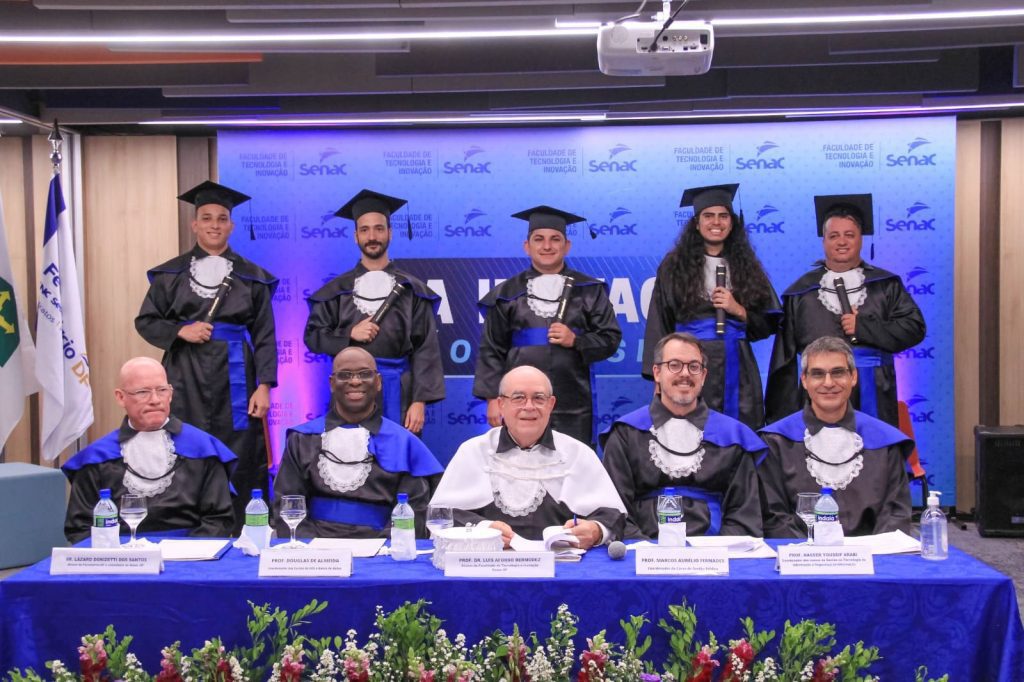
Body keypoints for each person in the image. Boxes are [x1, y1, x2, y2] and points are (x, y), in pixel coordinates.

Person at [135, 180, 277, 532]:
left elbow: (264, 335)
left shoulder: (252, 277)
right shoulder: (170, 275)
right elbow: (146, 321)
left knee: (242, 451)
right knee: (186, 445)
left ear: (231, 225)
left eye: (222, 218)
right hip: (184, 374)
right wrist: (180, 331)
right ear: (194, 224)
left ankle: (245, 529)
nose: (215, 225)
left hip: (237, 376)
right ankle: (187, 527)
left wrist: (264, 386)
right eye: (207, 218)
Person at [765, 193, 926, 427]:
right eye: (834, 236)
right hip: (818, 395)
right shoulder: (800, 294)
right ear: (824, 242)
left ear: (861, 239)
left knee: (874, 447)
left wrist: (864, 328)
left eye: (849, 235)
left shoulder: (886, 285)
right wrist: (781, 420)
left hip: (874, 393)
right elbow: (785, 361)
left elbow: (914, 328)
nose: (842, 242)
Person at [431, 365, 626, 549]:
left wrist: (596, 530)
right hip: (487, 565)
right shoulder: (473, 451)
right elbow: (441, 516)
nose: (529, 406)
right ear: (501, 404)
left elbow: (612, 515)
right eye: (518, 398)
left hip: (560, 566)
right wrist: (483, 530)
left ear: (551, 404)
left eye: (539, 398)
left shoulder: (577, 453)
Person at [474, 206, 621, 444]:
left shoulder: (590, 291)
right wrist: (492, 398)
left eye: (555, 239)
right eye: (539, 239)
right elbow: (491, 349)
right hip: (520, 402)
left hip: (574, 402)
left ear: (567, 245)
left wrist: (577, 341)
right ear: (527, 246)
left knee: (572, 459)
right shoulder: (505, 295)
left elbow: (610, 338)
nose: (547, 246)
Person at [304, 189, 444, 434]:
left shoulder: (413, 290)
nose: (372, 236)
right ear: (355, 236)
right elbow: (313, 338)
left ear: (390, 233)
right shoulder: (336, 291)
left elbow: (426, 349)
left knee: (398, 455)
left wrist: (419, 402)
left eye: (379, 229)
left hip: (399, 394)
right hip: (349, 391)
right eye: (365, 230)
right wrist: (349, 335)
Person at [643, 184, 780, 430]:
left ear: (732, 223)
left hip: (737, 367)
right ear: (697, 223)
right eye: (708, 216)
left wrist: (738, 310)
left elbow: (768, 324)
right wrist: (659, 376)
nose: (716, 222)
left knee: (738, 432)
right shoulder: (674, 266)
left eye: (723, 216)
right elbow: (659, 322)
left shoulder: (746, 266)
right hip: (687, 364)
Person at [602, 332, 765, 539]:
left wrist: (715, 551)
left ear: (703, 376)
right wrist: (647, 551)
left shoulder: (734, 438)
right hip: (641, 550)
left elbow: (743, 516)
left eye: (694, 367)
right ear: (657, 373)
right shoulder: (625, 433)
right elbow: (616, 512)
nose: (685, 373)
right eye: (675, 365)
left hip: (715, 552)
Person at [272, 347, 444, 539]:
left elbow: (413, 511)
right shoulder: (302, 439)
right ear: (332, 383)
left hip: (383, 548)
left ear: (378, 382)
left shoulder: (404, 444)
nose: (355, 381)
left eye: (364, 374)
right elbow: (286, 504)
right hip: (314, 548)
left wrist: (382, 549)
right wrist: (311, 548)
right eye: (345, 375)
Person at [62, 357, 236, 543]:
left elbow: (219, 520)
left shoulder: (204, 450)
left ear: (170, 394)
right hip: (119, 556)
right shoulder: (97, 458)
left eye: (162, 390)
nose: (155, 400)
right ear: (120, 397)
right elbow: (80, 527)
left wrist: (183, 554)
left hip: (191, 554)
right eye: (143, 392)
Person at [759, 336, 914, 537]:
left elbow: (895, 514)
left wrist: (873, 553)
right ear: (804, 380)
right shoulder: (776, 442)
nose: (828, 383)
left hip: (873, 554)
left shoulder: (886, 442)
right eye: (817, 374)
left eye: (838, 372)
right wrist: (809, 551)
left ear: (853, 377)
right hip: (799, 553)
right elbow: (774, 517)